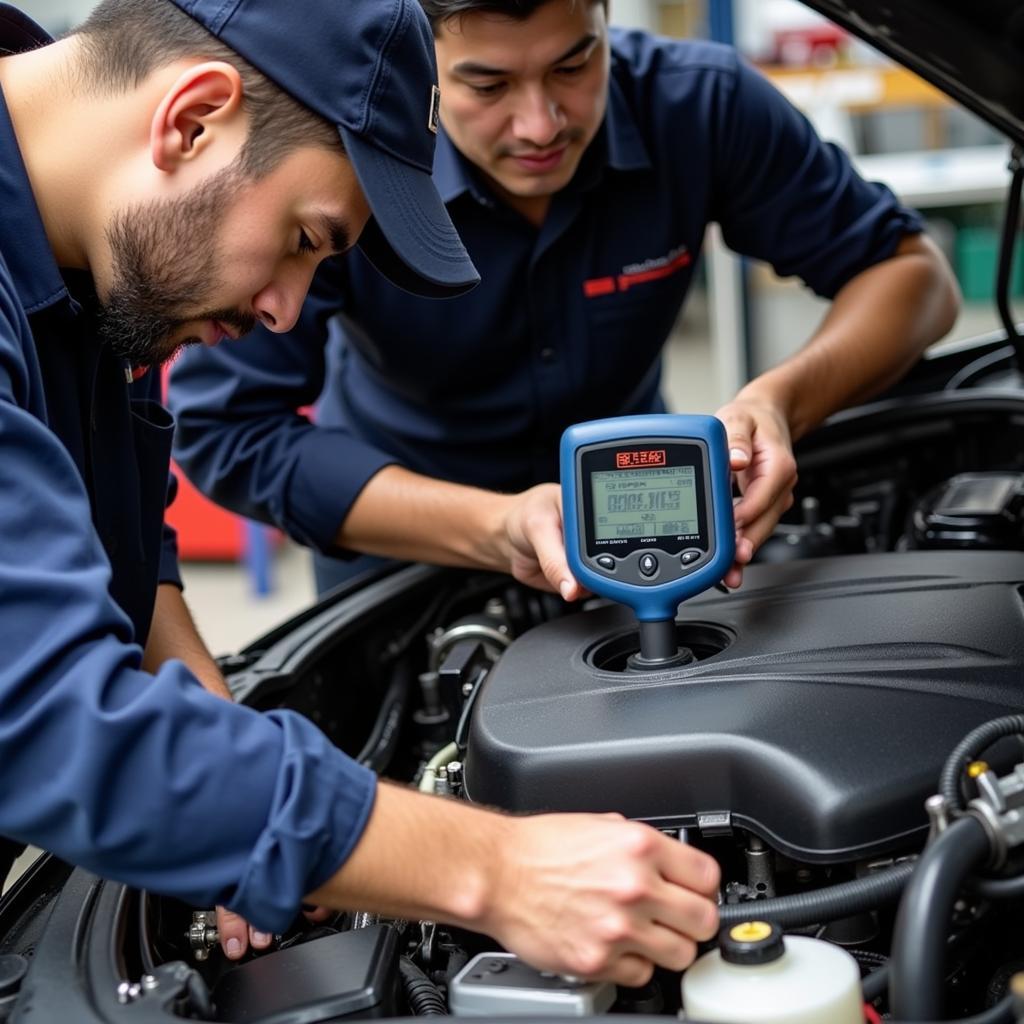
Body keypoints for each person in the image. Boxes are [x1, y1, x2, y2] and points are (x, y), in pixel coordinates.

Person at [0, 0, 721, 986]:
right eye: (304, 238)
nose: (285, 311)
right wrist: (496, 867)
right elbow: (50, 716)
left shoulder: (92, 248)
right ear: (192, 120)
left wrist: (233, 785)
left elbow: (131, 557)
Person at [169, 0, 960, 600]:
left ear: (608, 23)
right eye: (489, 84)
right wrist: (491, 526)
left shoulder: (700, 108)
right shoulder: (344, 165)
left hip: (655, 531)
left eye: (574, 67)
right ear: (422, 67)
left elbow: (912, 277)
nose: (540, 123)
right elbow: (229, 430)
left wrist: (783, 399)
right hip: (404, 568)